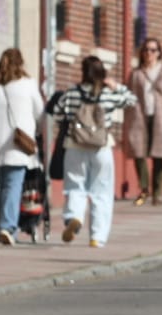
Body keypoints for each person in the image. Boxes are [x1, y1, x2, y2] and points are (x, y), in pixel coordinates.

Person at [46, 55, 135, 246]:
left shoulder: (72, 93)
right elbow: (131, 100)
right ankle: (97, 237)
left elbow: (58, 113)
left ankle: (74, 217)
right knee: (101, 192)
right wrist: (116, 86)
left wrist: (68, 127)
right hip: (101, 148)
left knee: (74, 186)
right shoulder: (107, 94)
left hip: (74, 145)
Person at [0, 47, 45, 246]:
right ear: (20, 63)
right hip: (19, 144)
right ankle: (7, 227)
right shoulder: (28, 84)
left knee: (2, 186)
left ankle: (2, 224)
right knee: (13, 186)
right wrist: (36, 130)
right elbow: (40, 113)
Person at [127, 38, 162, 206]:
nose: (149, 53)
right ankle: (144, 189)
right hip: (140, 117)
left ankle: (157, 193)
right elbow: (129, 94)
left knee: (159, 155)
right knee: (139, 153)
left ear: (159, 53)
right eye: (146, 50)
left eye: (152, 50)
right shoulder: (136, 73)